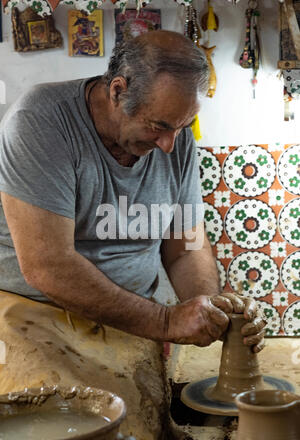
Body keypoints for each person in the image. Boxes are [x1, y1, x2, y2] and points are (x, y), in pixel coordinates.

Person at [0, 30, 265, 351]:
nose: (169, 145)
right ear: (117, 90)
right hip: (35, 320)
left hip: (134, 321)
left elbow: (187, 247)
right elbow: (48, 266)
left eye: (182, 127)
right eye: (159, 126)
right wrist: (166, 322)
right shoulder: (41, 121)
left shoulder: (175, 139)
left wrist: (209, 309)